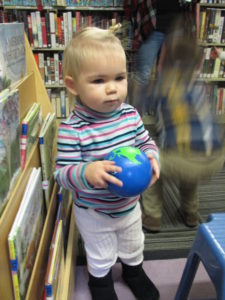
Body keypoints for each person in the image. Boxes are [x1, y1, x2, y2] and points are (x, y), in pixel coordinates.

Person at [54, 27, 160, 300]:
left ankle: (133, 271)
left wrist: (152, 156)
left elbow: (146, 141)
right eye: (99, 80)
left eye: (119, 77)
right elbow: (62, 174)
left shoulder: (130, 115)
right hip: (94, 212)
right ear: (73, 85)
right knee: (99, 252)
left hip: (129, 206)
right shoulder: (72, 129)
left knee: (134, 244)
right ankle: (99, 283)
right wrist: (86, 172)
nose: (113, 88)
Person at [141, 26, 225, 233]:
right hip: (215, 158)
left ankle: (152, 216)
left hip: (183, 158)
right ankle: (190, 212)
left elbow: (139, 103)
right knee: (190, 171)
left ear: (164, 63)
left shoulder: (161, 86)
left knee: (151, 166)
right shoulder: (199, 86)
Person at [123, 0, 198, 115]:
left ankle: (164, 118)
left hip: (177, 27)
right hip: (151, 27)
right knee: (142, 75)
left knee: (169, 76)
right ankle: (134, 118)